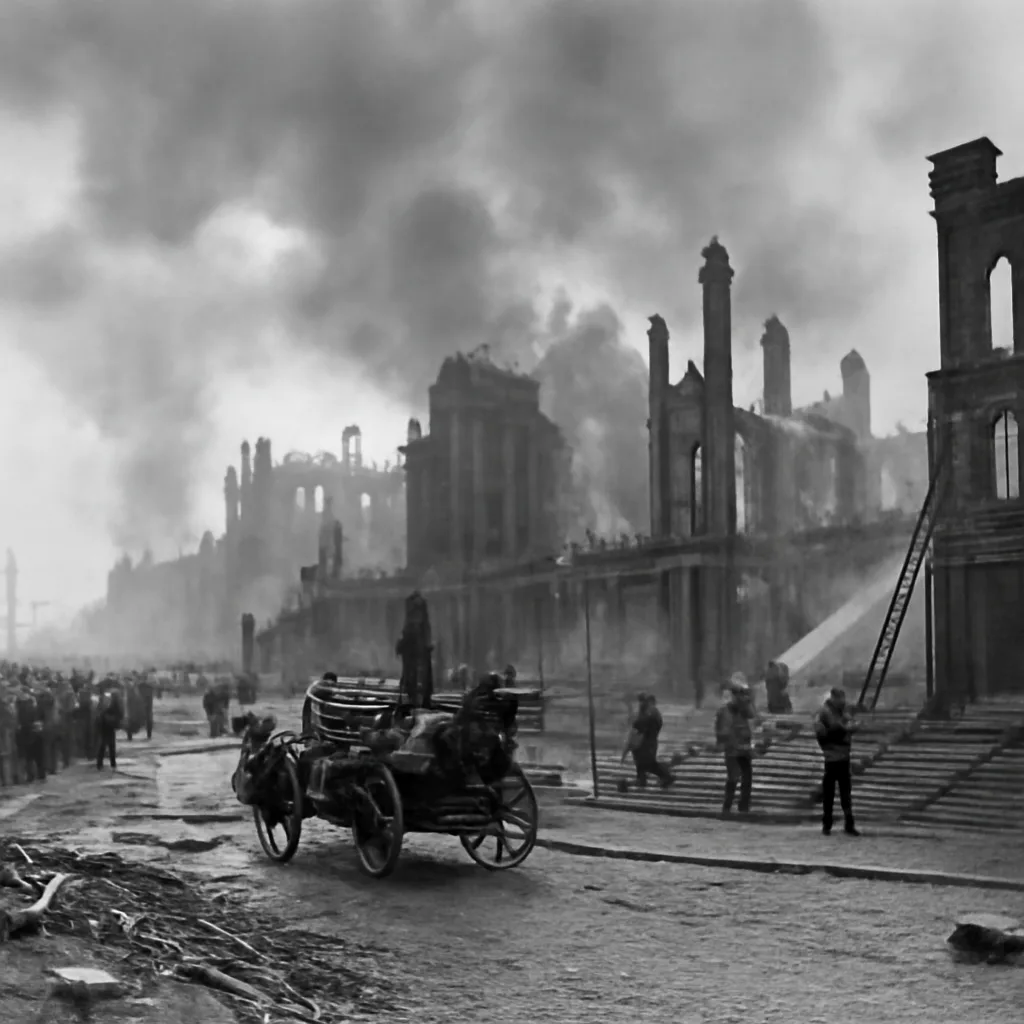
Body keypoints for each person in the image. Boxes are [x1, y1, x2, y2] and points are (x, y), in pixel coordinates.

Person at [814, 687, 861, 836]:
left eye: (843, 698)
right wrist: (846, 728)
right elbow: (827, 731)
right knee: (829, 794)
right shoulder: (825, 712)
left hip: (843, 757)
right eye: (840, 698)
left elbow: (847, 724)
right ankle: (827, 824)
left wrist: (851, 726)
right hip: (832, 757)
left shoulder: (841, 712)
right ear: (833, 698)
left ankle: (849, 823)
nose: (843, 701)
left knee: (845, 793)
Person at [715, 676, 756, 814]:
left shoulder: (743, 709)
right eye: (740, 695)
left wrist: (748, 702)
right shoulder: (725, 711)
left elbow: (752, 715)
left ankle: (743, 806)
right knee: (733, 777)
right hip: (732, 749)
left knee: (747, 778)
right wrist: (726, 742)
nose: (742, 698)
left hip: (744, 749)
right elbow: (722, 731)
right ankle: (727, 806)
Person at [623, 693, 674, 789]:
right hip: (650, 743)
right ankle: (642, 779)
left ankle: (666, 776)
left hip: (644, 744)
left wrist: (627, 750)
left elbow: (635, 733)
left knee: (648, 763)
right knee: (644, 763)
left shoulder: (648, 716)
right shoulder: (653, 714)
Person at [96, 681, 124, 771]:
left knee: (103, 743)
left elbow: (99, 708)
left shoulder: (104, 695)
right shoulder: (115, 695)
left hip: (102, 721)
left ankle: (99, 763)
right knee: (111, 743)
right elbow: (120, 710)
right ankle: (113, 763)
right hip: (110, 722)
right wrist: (119, 719)